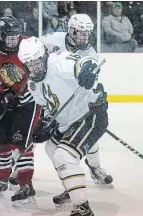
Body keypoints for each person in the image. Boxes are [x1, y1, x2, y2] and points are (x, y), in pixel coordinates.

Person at [18, 37, 109, 216]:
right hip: (69, 122)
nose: (34, 68)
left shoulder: (58, 62)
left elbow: (84, 62)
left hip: (90, 114)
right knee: (52, 148)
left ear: (43, 56)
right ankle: (72, 188)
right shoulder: (33, 84)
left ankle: (84, 212)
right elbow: (48, 107)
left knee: (64, 155)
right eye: (29, 64)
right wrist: (46, 124)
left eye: (36, 61)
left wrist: (86, 71)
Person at [40, 13, 113, 190]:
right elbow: (34, 50)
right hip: (52, 97)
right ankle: (68, 175)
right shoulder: (53, 39)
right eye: (81, 32)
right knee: (51, 147)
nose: (85, 37)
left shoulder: (89, 53)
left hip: (74, 101)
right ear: (71, 30)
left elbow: (88, 78)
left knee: (89, 138)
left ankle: (95, 168)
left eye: (88, 33)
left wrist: (90, 80)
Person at [0, 16, 41, 206]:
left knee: (22, 142)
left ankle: (26, 185)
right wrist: (2, 93)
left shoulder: (29, 46)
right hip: (6, 102)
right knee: (2, 141)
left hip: (29, 102)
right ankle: (2, 179)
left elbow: (42, 69)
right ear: (0, 37)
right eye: (10, 38)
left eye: (17, 37)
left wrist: (32, 91)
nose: (14, 41)